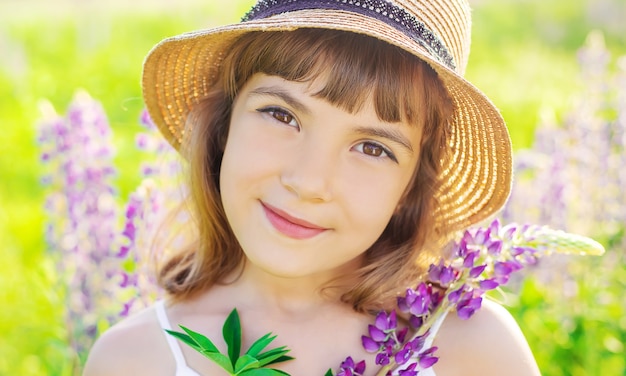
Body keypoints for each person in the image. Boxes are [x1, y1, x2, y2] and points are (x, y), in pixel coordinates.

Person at [83, 0, 541, 375]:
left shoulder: (472, 348)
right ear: (223, 126)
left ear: (411, 187)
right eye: (282, 115)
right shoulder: (134, 360)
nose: (307, 183)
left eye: (372, 148)